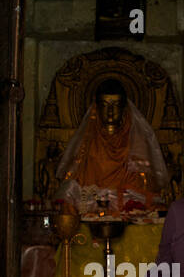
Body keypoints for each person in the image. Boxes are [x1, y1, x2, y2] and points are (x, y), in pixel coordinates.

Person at [54, 79, 169, 212]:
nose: (110, 111)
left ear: (124, 109)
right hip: (91, 204)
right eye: (105, 105)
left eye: (115, 105)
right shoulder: (88, 142)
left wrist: (119, 199)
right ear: (96, 109)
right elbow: (76, 181)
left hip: (126, 206)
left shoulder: (136, 141)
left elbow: (141, 187)